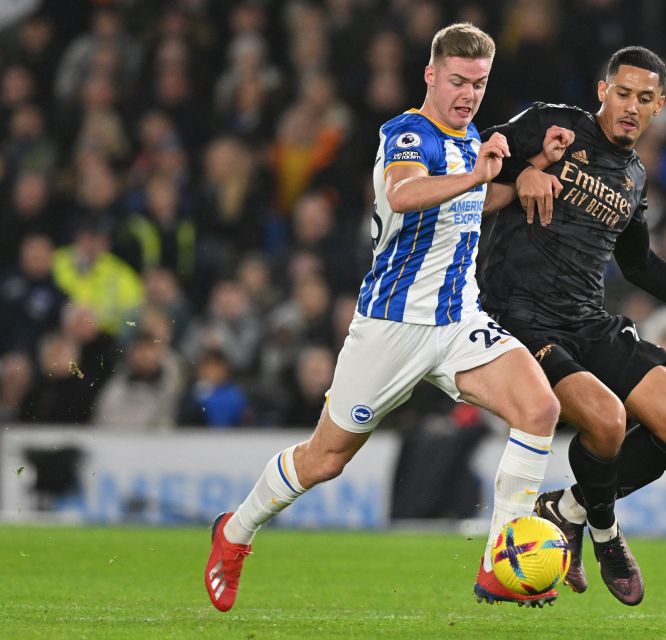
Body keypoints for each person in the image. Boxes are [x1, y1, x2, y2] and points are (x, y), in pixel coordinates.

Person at [204, 23, 564, 612]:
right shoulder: (406, 134)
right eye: (456, 81)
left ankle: (501, 562)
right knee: (325, 459)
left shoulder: (472, 138)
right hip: (391, 327)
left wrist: (522, 173)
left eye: (478, 83)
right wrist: (480, 173)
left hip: (456, 321)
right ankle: (235, 533)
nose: (468, 94)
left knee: (540, 406)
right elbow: (402, 194)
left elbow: (477, 202)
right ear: (430, 75)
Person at [479, 46, 666, 606]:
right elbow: (474, 153)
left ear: (660, 107)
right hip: (524, 319)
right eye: (623, 93)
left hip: (587, 318)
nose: (631, 107)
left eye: (645, 98)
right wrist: (523, 171)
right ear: (602, 91)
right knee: (607, 422)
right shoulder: (552, 125)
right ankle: (605, 533)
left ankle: (568, 510)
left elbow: (639, 265)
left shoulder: (634, 175)